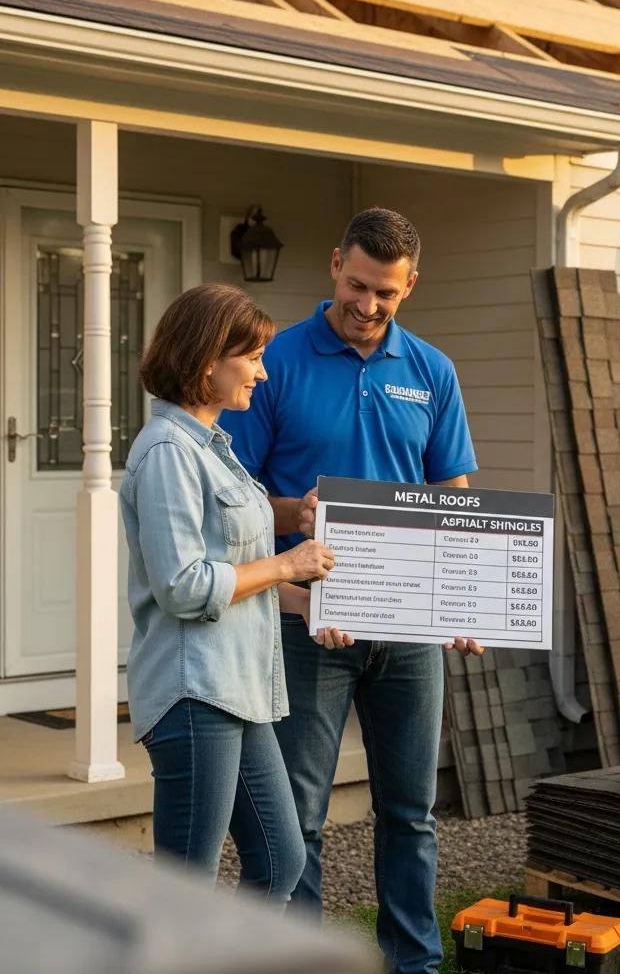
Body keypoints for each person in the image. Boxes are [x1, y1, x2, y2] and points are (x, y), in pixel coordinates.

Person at [220, 208, 482, 974]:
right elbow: (235, 496)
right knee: (297, 815)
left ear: (411, 287)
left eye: (387, 295)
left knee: (411, 812)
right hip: (309, 624)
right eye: (358, 286)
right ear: (336, 264)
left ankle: (414, 962)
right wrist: (292, 513)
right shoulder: (277, 360)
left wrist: (460, 599)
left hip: (405, 633)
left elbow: (452, 494)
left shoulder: (431, 370)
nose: (368, 306)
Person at [121, 283, 348, 906]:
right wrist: (285, 565)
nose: (263, 371)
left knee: (280, 860)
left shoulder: (215, 449)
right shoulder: (168, 451)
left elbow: (237, 566)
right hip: (194, 692)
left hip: (238, 689)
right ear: (205, 363)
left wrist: (309, 605)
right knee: (184, 891)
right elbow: (184, 585)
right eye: (250, 357)